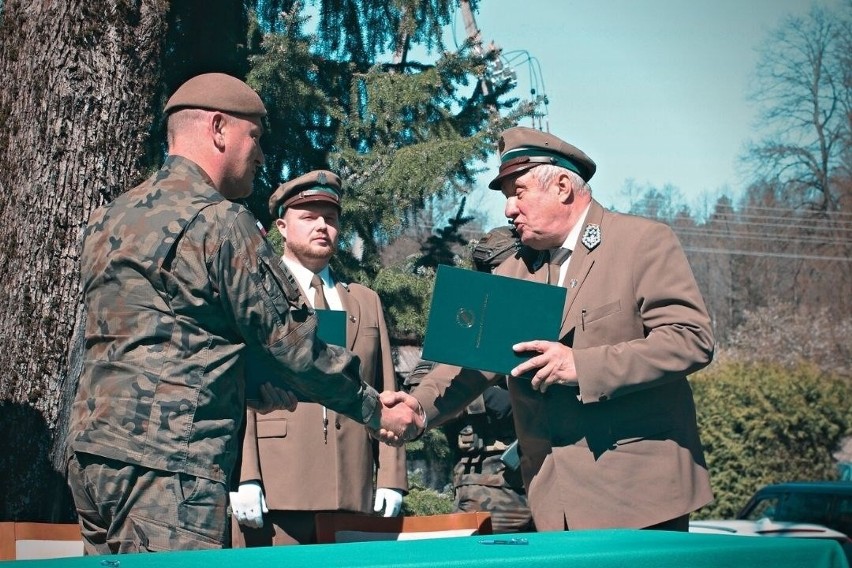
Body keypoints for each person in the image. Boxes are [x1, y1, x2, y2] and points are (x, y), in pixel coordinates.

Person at [65, 73, 421, 554]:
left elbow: (158, 335)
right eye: (254, 136)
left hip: (93, 455)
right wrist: (373, 407)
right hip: (170, 464)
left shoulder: (110, 218)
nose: (261, 155)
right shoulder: (220, 220)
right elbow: (292, 344)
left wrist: (249, 387)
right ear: (218, 128)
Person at [384, 126, 715, 532]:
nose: (509, 210)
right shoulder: (516, 269)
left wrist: (583, 366)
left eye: (518, 192)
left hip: (639, 498)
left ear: (561, 186)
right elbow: (472, 364)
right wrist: (418, 406)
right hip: (553, 504)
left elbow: (690, 339)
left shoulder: (640, 242)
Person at [230, 170, 407, 546]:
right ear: (281, 225)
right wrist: (245, 475)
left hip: (353, 486)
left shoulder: (364, 301)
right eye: (308, 217)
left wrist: (391, 476)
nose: (321, 226)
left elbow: (386, 389)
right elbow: (238, 385)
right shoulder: (257, 296)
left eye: (330, 218)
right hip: (280, 484)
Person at [403, 227, 533, 534]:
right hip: (488, 476)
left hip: (547, 471)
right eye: (492, 271)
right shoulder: (468, 320)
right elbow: (420, 384)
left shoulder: (539, 315)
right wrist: (481, 399)